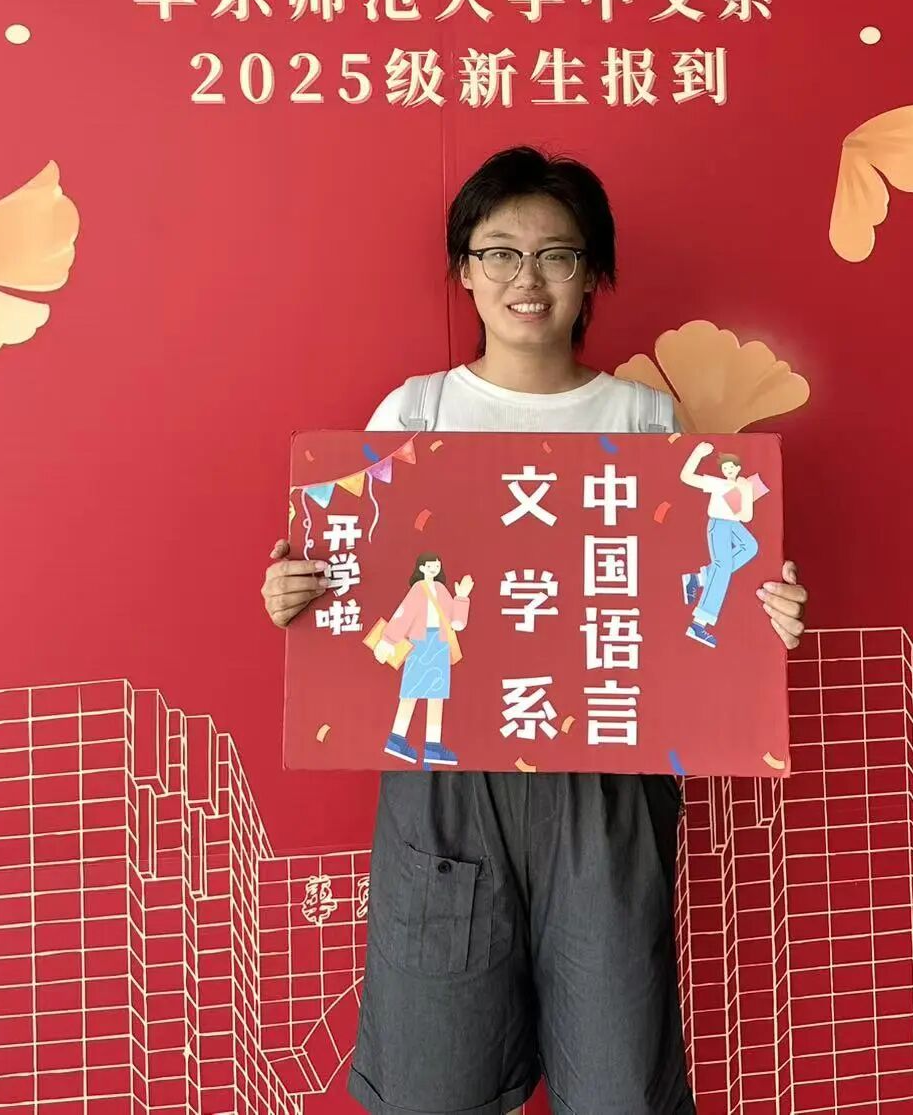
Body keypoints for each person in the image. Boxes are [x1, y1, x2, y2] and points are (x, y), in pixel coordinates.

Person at [262, 145, 809, 1115]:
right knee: (436, 1075)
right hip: (446, 781)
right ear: (464, 270)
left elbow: (696, 587)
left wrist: (762, 609)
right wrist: (296, 592)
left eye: (557, 254)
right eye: (499, 252)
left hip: (605, 774)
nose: (527, 277)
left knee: (618, 1077)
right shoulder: (416, 410)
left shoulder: (645, 419)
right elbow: (358, 583)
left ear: (592, 275)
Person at [375, 552, 474, 767]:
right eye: (430, 565)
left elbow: (456, 623)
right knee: (410, 693)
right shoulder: (418, 589)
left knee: (436, 696)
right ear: (421, 568)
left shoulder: (441, 590)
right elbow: (403, 615)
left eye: (436, 565)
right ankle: (396, 739)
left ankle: (433, 746)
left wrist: (462, 597)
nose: (434, 569)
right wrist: (388, 640)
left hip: (439, 644)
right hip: (420, 643)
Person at [679, 442, 760, 649]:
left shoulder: (743, 486)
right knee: (722, 569)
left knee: (750, 547)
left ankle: (698, 579)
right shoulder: (718, 484)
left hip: (734, 525)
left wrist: (745, 491)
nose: (728, 470)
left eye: (731, 467)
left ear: (738, 468)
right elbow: (686, 477)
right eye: (725, 468)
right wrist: (698, 453)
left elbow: (746, 516)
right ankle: (698, 624)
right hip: (719, 524)